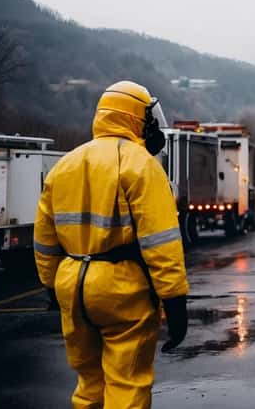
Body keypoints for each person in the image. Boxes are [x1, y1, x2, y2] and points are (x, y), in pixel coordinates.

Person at [33, 80, 189, 409]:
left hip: (71, 285)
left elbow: (44, 238)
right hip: (121, 290)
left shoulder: (65, 164)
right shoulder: (142, 165)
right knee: (126, 382)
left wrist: (51, 285)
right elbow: (161, 243)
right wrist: (174, 300)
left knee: (89, 382)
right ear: (136, 118)